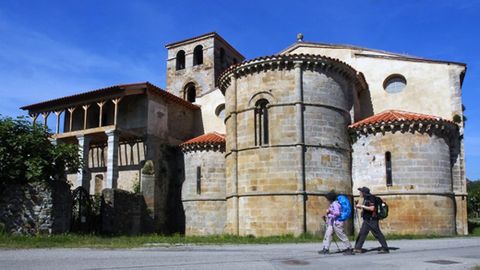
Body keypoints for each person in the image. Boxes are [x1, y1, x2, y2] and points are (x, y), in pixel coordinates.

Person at [354, 186, 389, 254]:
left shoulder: (371, 198)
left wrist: (361, 206)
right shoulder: (365, 198)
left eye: (360, 192)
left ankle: (385, 248)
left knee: (377, 234)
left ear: (364, 193)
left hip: (372, 219)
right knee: (362, 233)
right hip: (367, 220)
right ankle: (357, 248)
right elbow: (366, 208)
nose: (359, 193)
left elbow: (372, 208)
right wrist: (359, 206)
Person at [320, 190, 354, 255]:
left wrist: (329, 212)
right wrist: (328, 215)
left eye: (328, 198)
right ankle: (325, 248)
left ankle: (349, 248)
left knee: (341, 235)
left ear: (330, 198)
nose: (327, 199)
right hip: (332, 222)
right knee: (328, 234)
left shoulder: (335, 203)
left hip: (337, 222)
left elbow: (337, 213)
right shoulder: (332, 204)